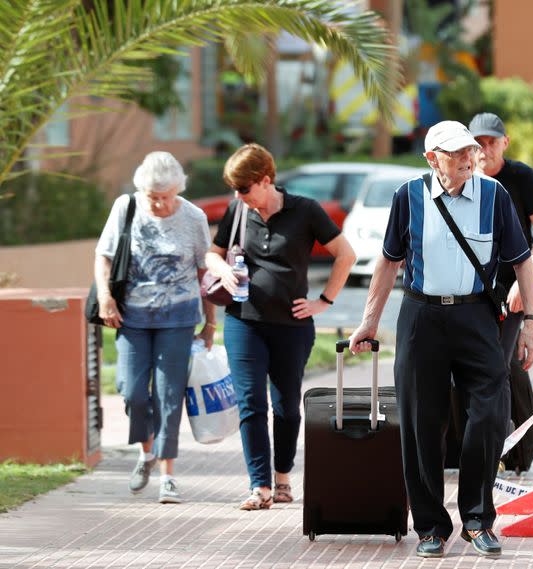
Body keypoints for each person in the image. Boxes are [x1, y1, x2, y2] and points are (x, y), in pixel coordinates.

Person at [349, 121, 533, 558]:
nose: (465, 158)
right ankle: (431, 526)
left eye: (468, 151)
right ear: (431, 157)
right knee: (421, 424)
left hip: (476, 316)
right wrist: (368, 322)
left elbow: (523, 263)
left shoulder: (494, 196)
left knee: (491, 415)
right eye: (454, 153)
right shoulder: (408, 196)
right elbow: (387, 263)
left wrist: (530, 322)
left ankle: (477, 519)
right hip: (421, 318)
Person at [205, 143, 355, 511]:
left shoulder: (305, 211)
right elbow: (213, 252)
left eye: (244, 188)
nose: (239, 196)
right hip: (244, 322)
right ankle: (260, 486)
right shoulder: (238, 210)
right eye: (235, 189)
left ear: (265, 180)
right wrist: (222, 268)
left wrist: (324, 301)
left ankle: (283, 476)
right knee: (250, 404)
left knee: (286, 406)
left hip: (292, 326)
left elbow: (345, 255)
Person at [94, 151, 215, 504]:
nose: (161, 204)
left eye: (168, 197)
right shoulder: (125, 208)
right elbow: (103, 254)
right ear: (141, 191)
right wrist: (105, 297)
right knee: (132, 391)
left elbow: (203, 273)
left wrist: (210, 322)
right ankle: (146, 453)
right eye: (154, 197)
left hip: (178, 319)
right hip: (131, 316)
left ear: (179, 190)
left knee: (168, 394)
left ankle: (167, 476)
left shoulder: (193, 217)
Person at [469, 112, 533, 472]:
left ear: (505, 143)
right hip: (470, 292)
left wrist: (526, 282)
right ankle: (477, 448)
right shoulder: (461, 180)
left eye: (492, 142)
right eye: (479, 143)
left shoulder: (521, 178)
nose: (485, 149)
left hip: (511, 290)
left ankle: (506, 454)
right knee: (477, 370)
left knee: (500, 368)